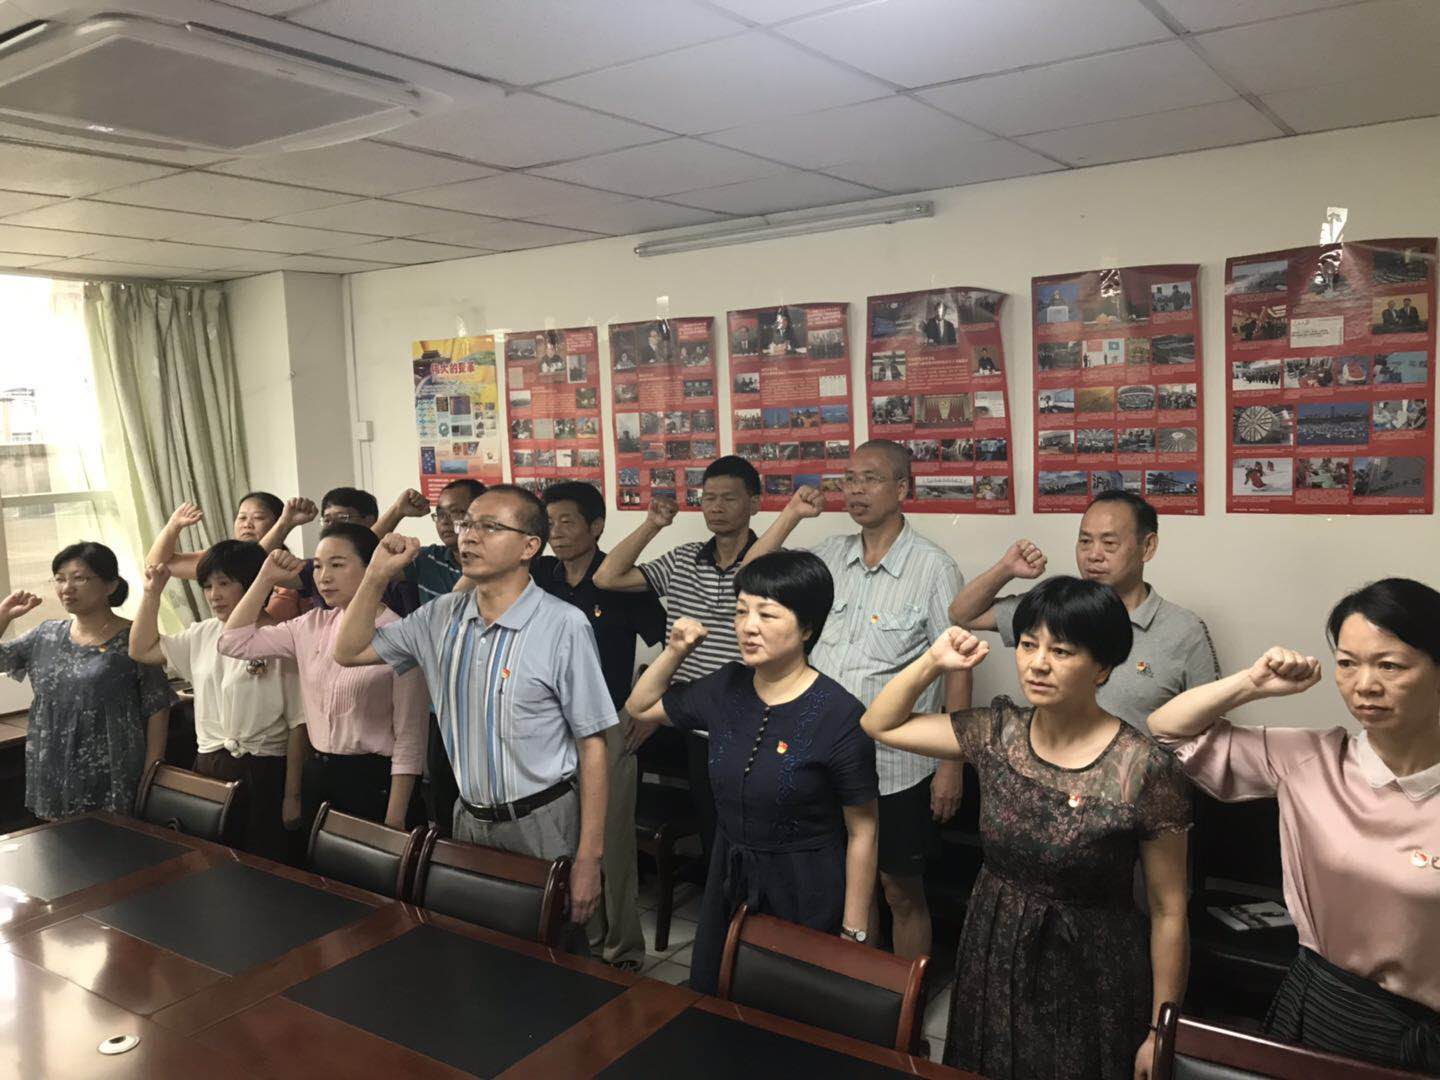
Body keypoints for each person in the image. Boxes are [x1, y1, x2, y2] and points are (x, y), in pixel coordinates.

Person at [861, 578, 1191, 1079]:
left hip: (1091, 965)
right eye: (1029, 645)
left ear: (1102, 666)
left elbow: (1169, 910)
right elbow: (879, 724)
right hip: (994, 947)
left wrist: (1159, 1030)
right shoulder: (998, 732)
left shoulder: (1143, 768)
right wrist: (933, 661)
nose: (1037, 663)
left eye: (1061, 651)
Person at [1148, 578, 1440, 1074]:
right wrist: (1251, 683)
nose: (1365, 685)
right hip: (1325, 1012)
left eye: (1390, 665)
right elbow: (1166, 730)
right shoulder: (1311, 759)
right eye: (1347, 663)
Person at [332, 485, 615, 930]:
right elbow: (348, 651)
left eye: (489, 526)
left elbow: (593, 745)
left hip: (542, 820)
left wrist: (589, 858)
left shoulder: (563, 624)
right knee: (475, 942)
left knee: (552, 949)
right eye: (467, 524)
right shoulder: (439, 616)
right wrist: (375, 576)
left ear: (529, 547)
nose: (468, 535)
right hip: (468, 818)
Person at [744, 439, 966, 963]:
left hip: (896, 765)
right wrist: (792, 515)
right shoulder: (828, 556)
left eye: (870, 478)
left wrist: (951, 765)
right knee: (850, 882)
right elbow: (749, 575)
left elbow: (958, 666)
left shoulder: (933, 567)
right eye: (849, 479)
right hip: (821, 756)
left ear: (902, 488)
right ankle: (862, 983)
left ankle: (905, 992)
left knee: (899, 889)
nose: (856, 489)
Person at [625, 552, 879, 994]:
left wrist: (853, 932)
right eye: (741, 611)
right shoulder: (727, 686)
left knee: (789, 1005)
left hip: (804, 883)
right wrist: (676, 650)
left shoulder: (839, 715)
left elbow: (864, 830)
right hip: (730, 873)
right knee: (716, 996)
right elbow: (640, 706)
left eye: (767, 613)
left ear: (807, 628)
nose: (748, 626)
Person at [594, 455, 764, 868]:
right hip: (693, 717)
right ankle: (717, 904)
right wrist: (652, 525)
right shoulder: (684, 558)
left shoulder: (768, 562)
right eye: (709, 498)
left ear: (755, 504)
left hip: (748, 717)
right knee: (712, 829)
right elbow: (606, 577)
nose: (716, 507)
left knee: (750, 829)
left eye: (729, 498)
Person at [949, 490, 1220, 732]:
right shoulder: (1054, 608)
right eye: (1085, 541)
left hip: (1139, 771)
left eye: (1109, 543)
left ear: (1147, 547)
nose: (1093, 555)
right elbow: (963, 614)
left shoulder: (1184, 631)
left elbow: (1209, 729)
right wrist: (1006, 569)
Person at [533, 481, 666, 970]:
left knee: (611, 844)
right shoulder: (538, 575)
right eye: (548, 522)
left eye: (567, 521)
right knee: (565, 840)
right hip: (550, 725)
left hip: (607, 726)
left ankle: (623, 950)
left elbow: (674, 646)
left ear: (596, 526)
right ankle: (581, 941)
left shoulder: (619, 580)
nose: (556, 532)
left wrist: (649, 709)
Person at [219, 524, 428, 833]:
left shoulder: (399, 634)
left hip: (372, 781)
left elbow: (410, 739)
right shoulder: (311, 624)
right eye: (317, 566)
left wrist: (394, 821)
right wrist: (265, 579)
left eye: (337, 565)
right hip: (318, 773)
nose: (324, 577)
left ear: (372, 567)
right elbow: (232, 643)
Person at [128, 540, 305, 860]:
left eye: (224, 583)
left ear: (254, 584)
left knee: (260, 860)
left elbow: (298, 724)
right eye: (208, 586)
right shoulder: (202, 633)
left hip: (263, 767)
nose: (214, 595)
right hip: (209, 764)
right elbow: (141, 649)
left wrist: (292, 795)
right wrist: (152, 594)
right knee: (209, 859)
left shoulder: (281, 638)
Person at [0, 543, 177, 820]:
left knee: (114, 843)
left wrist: (153, 772)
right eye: (59, 579)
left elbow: (158, 706)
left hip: (112, 770)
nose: (66, 588)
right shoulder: (46, 634)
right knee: (57, 843)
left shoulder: (135, 638)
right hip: (53, 767)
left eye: (79, 578)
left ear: (110, 585)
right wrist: (4, 616)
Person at [146, 494, 308, 621]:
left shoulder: (291, 570)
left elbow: (254, 561)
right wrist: (173, 525)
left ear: (278, 522)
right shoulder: (222, 561)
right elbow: (157, 565)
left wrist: (284, 524)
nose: (247, 524)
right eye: (242, 517)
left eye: (258, 517)